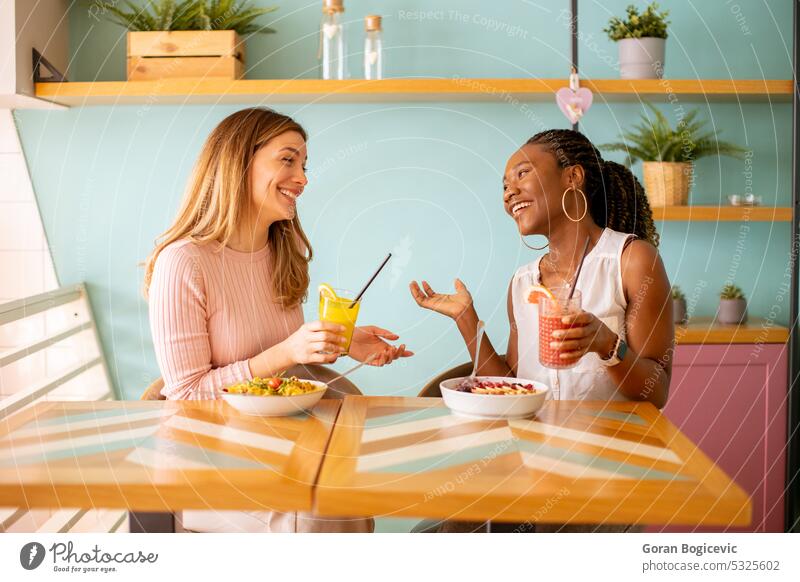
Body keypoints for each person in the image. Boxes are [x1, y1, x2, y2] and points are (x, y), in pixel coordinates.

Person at [144, 107, 412, 532]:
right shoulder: (184, 263)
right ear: (237, 163)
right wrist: (288, 350)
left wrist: (343, 342)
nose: (303, 178)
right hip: (214, 459)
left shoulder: (280, 253)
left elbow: (282, 364)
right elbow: (188, 394)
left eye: (304, 165)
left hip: (285, 444)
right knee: (324, 512)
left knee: (352, 489)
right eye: (287, 160)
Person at [409, 129, 674, 532]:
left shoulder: (631, 260)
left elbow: (656, 392)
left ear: (572, 178)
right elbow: (513, 387)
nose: (508, 192)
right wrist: (468, 319)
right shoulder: (522, 282)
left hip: (606, 479)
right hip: (529, 474)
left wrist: (605, 343)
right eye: (503, 185)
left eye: (521, 174)